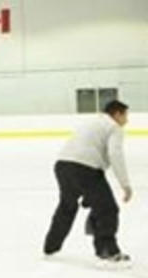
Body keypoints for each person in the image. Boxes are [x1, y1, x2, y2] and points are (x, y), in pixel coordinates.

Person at [43, 99, 133, 262]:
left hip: (63, 165)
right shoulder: (114, 127)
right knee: (107, 209)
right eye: (125, 116)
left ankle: (50, 246)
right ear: (117, 114)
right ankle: (107, 251)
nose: (127, 120)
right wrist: (125, 185)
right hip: (85, 169)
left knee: (67, 207)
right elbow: (115, 155)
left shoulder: (93, 122)